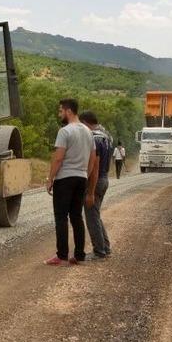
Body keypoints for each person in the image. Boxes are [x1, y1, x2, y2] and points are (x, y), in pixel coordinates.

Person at [45, 98, 96, 266]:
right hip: (81, 178)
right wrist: (85, 175)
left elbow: (58, 158)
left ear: (68, 111)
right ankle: (79, 255)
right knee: (76, 216)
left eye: (61, 111)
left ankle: (61, 255)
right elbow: (92, 158)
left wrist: (50, 178)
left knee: (61, 217)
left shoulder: (65, 131)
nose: (60, 114)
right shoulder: (88, 132)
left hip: (65, 178)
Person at [80, 111, 112, 259]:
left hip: (96, 179)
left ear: (85, 122)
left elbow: (95, 166)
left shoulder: (93, 138)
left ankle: (99, 251)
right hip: (104, 178)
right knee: (95, 215)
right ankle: (105, 246)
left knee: (91, 216)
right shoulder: (106, 136)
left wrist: (90, 191)